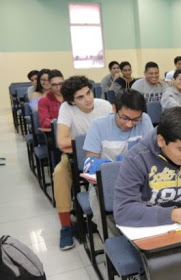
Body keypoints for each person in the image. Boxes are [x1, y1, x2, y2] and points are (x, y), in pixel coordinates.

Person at [53, 76, 112, 250]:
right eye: (80, 97)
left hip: (104, 156)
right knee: (59, 173)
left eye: (88, 92)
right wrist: (92, 144)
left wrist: (84, 142)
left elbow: (114, 136)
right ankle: (65, 226)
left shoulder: (104, 106)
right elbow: (62, 142)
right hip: (75, 156)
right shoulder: (66, 108)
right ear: (72, 101)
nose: (88, 99)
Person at [83, 89, 154, 234]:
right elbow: (90, 163)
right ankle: (114, 247)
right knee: (108, 225)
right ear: (114, 109)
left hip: (139, 181)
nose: (129, 124)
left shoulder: (144, 120)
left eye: (135, 119)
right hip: (105, 184)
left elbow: (151, 155)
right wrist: (113, 167)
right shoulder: (98, 125)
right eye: (125, 118)